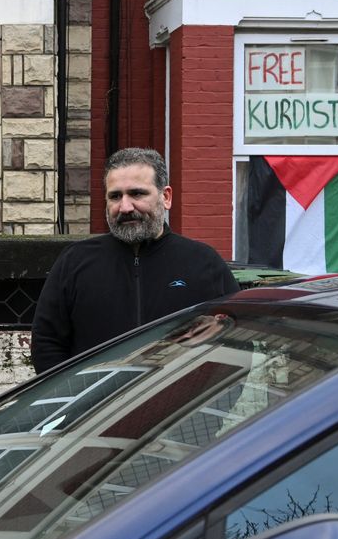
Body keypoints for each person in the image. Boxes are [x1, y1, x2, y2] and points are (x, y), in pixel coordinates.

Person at [30, 147, 239, 373]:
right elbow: (47, 345)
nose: (125, 207)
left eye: (137, 194)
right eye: (115, 196)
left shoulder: (203, 262)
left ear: (165, 197)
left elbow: (236, 342)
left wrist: (206, 403)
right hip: (95, 407)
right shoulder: (75, 262)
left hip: (183, 407)